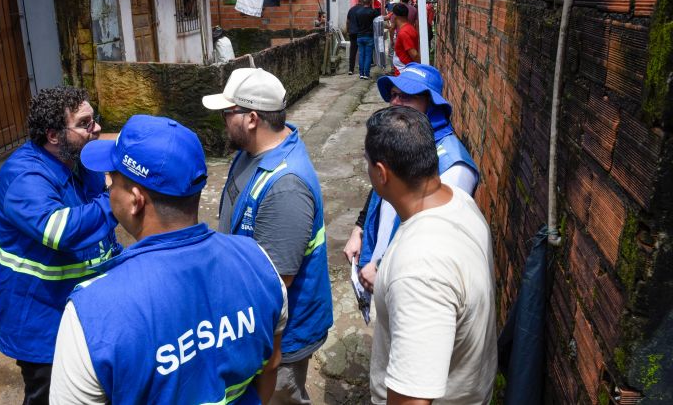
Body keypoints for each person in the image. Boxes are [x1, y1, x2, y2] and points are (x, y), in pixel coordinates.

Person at [50, 115, 287, 404]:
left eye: (112, 180)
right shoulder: (259, 262)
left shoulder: (91, 313)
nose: (108, 190)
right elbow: (271, 365)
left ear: (136, 200)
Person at [202, 68, 333, 405]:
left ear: (251, 119)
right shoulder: (250, 153)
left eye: (227, 113)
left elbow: (275, 283)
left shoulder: (286, 185)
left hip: (279, 339)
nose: (222, 120)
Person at [0, 86, 121, 404]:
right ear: (53, 135)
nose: (97, 129)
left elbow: (96, 221)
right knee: (48, 396)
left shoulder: (78, 159)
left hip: (78, 307)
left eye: (95, 119)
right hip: (41, 320)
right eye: (85, 123)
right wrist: (118, 200)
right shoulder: (23, 178)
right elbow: (62, 231)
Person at [363, 106, 497, 404]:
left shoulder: (418, 270)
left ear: (381, 173)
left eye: (368, 163)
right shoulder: (458, 200)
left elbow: (412, 398)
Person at [343, 64, 479, 292]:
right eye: (394, 95)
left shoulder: (454, 165)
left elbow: (434, 241)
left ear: (431, 104)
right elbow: (380, 186)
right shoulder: (402, 139)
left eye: (406, 97)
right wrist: (359, 229)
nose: (395, 103)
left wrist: (384, 270)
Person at [356, 0, 381, 80]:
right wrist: (373, 5)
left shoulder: (358, 12)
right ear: (370, 3)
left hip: (359, 36)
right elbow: (378, 18)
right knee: (368, 56)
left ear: (363, 2)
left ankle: (361, 74)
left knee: (361, 55)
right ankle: (366, 74)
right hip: (369, 36)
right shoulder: (372, 11)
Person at [391, 3, 419, 75]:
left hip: (404, 72)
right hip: (405, 70)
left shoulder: (403, 33)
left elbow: (414, 54)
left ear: (395, 16)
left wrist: (419, 68)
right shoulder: (410, 28)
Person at [346, 0, 366, 75]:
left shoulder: (351, 9)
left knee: (353, 51)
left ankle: (351, 69)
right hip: (361, 33)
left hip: (352, 33)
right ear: (363, 2)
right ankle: (362, 70)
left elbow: (347, 21)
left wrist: (348, 31)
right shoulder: (364, 10)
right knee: (362, 51)